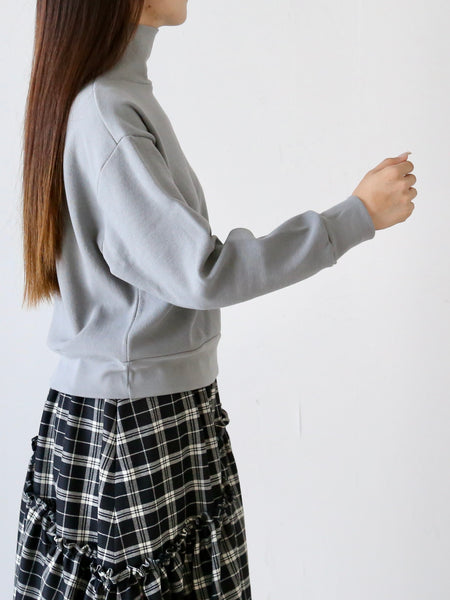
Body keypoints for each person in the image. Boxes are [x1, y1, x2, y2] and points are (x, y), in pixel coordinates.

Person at [13, 0, 417, 598]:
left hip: (151, 409)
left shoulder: (116, 99)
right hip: (133, 423)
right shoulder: (106, 112)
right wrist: (353, 218)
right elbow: (201, 273)